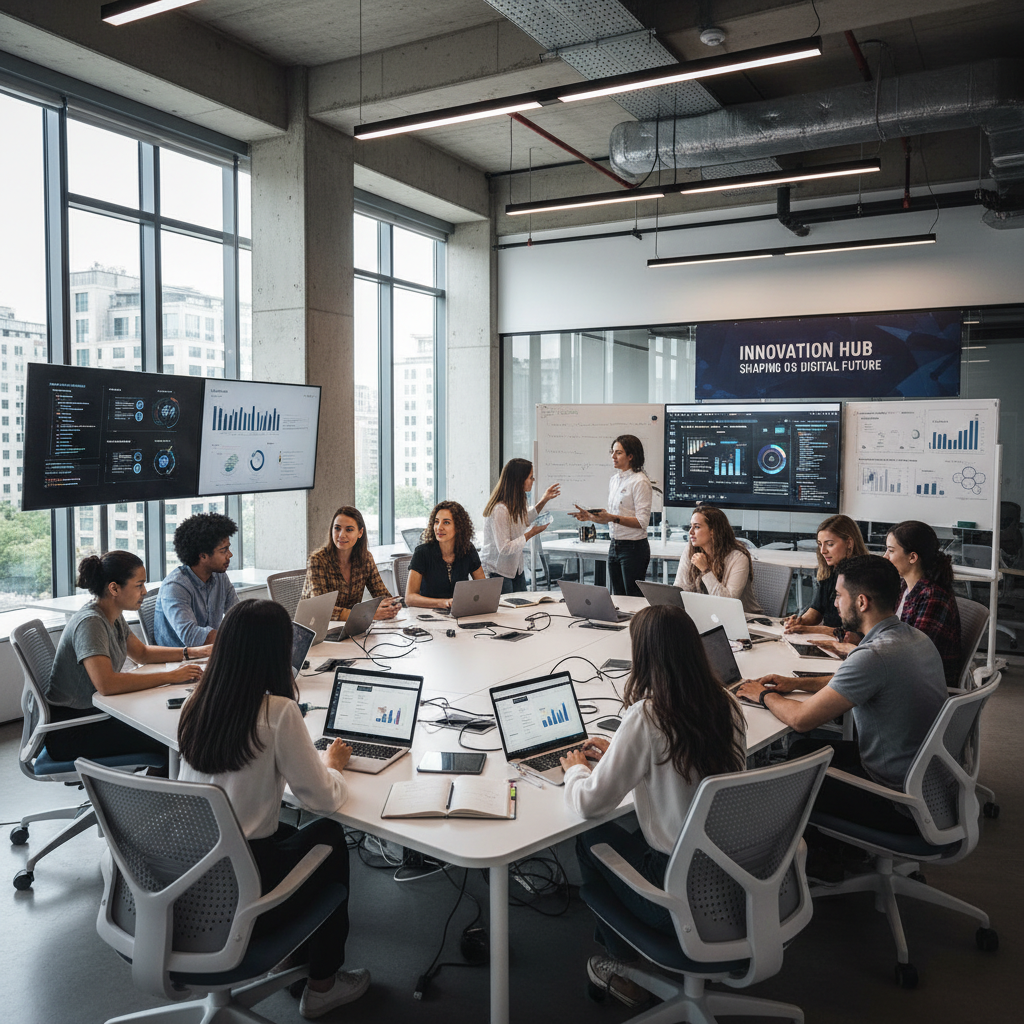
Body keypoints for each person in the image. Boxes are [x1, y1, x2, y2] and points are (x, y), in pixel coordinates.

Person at [177, 600, 368, 1020]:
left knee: (282, 832)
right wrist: (332, 766)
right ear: (277, 651)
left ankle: (289, 959)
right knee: (328, 838)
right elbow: (322, 799)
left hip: (185, 875)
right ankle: (322, 985)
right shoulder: (277, 712)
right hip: (242, 887)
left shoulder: (196, 704)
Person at [561, 604, 746, 1007]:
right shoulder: (726, 706)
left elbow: (589, 804)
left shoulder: (647, 715)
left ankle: (622, 968)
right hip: (738, 883)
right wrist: (622, 756)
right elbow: (684, 768)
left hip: (677, 898)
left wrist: (577, 769)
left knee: (591, 837)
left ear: (644, 655)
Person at [737, 555, 948, 842]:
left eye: (839, 596)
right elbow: (858, 683)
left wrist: (763, 695)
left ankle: (827, 860)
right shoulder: (912, 638)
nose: (835, 603)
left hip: (897, 802)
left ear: (862, 602)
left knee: (781, 780)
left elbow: (801, 719)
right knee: (802, 752)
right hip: (930, 785)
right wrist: (795, 684)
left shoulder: (872, 656)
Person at [44, 551, 209, 762]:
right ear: (114, 588)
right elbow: (107, 684)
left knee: (170, 731)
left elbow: (142, 653)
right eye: (139, 585)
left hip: (97, 714)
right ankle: (155, 792)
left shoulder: (112, 614)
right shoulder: (91, 622)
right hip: (74, 730)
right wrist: (172, 676)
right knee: (172, 740)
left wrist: (192, 652)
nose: (145, 591)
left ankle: (155, 789)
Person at [570, 434, 653, 597]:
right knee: (618, 598)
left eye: (618, 453)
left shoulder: (640, 481)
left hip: (634, 548)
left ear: (631, 456)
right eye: (612, 452)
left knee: (633, 599)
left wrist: (612, 518)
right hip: (615, 545)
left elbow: (642, 522)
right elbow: (613, 517)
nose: (612, 456)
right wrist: (590, 517)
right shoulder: (614, 480)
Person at [885, 520, 962, 686]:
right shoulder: (904, 586)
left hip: (921, 686)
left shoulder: (933, 596)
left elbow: (915, 654)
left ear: (912, 557)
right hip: (901, 672)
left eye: (891, 551)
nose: (885, 557)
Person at [153, 511, 239, 647]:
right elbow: (191, 637)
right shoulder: (175, 586)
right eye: (224, 550)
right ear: (203, 556)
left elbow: (237, 616)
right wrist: (238, 636)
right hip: (178, 662)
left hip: (207, 656)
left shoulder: (220, 577)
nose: (230, 555)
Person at [301, 506, 400, 621]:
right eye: (337, 528)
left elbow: (382, 596)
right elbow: (321, 609)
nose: (341, 535)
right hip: (315, 628)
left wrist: (392, 606)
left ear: (360, 532)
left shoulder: (365, 558)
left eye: (349, 530)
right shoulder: (317, 560)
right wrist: (366, 614)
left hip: (349, 628)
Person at [479, 458, 560, 594]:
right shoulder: (500, 509)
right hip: (497, 571)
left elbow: (524, 519)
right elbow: (504, 548)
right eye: (530, 477)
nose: (533, 481)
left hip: (515, 568)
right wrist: (530, 534)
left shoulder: (519, 499)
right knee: (507, 613)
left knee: (521, 608)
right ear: (519, 479)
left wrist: (544, 500)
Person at [783, 514, 868, 637]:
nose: (823, 550)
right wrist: (800, 621)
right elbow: (816, 610)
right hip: (831, 642)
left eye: (829, 544)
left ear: (849, 543)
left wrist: (808, 629)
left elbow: (857, 635)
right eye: (820, 544)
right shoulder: (831, 572)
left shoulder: (866, 576)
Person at [673, 504, 764, 614]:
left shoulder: (738, 558)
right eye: (690, 526)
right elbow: (680, 590)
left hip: (743, 620)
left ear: (713, 531)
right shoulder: (691, 550)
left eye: (697, 527)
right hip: (706, 615)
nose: (690, 532)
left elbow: (728, 603)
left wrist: (706, 570)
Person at [406, 500, 486, 609]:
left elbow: (484, 588)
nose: (439, 527)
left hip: (459, 612)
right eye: (436, 521)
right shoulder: (422, 552)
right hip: (428, 615)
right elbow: (409, 598)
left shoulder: (468, 550)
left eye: (446, 522)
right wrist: (443, 603)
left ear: (458, 527)